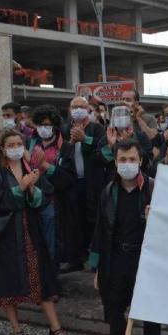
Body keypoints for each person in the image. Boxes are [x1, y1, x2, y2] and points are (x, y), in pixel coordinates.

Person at [0, 128, 72, 335]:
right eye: (10, 145)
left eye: (18, 144)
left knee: (42, 279)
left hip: (31, 232)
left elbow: (43, 198)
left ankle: (56, 328)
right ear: (2, 148)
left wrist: (32, 189)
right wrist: (19, 189)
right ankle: (17, 329)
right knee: (8, 282)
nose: (15, 149)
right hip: (5, 236)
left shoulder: (28, 167)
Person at [92, 139, 164, 335]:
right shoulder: (108, 191)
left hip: (145, 258)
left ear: (141, 161)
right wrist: (97, 267)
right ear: (115, 162)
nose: (128, 164)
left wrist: (157, 218)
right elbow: (101, 229)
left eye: (132, 159)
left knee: (149, 308)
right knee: (114, 306)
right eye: (123, 160)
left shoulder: (154, 189)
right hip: (116, 258)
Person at [27, 105, 83, 272]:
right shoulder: (30, 144)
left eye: (48, 124)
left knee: (52, 241)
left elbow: (69, 176)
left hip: (54, 201)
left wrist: (46, 166)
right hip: (32, 199)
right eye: (40, 124)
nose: (44, 128)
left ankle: (50, 277)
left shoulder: (65, 147)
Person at [63, 97, 106, 257]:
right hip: (73, 182)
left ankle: (95, 258)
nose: (78, 109)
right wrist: (71, 142)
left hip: (93, 182)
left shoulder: (96, 128)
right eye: (75, 106)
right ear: (69, 109)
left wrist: (84, 139)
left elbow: (102, 150)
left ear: (88, 109)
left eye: (81, 106)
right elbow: (62, 154)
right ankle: (76, 258)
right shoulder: (65, 128)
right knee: (75, 221)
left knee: (94, 220)